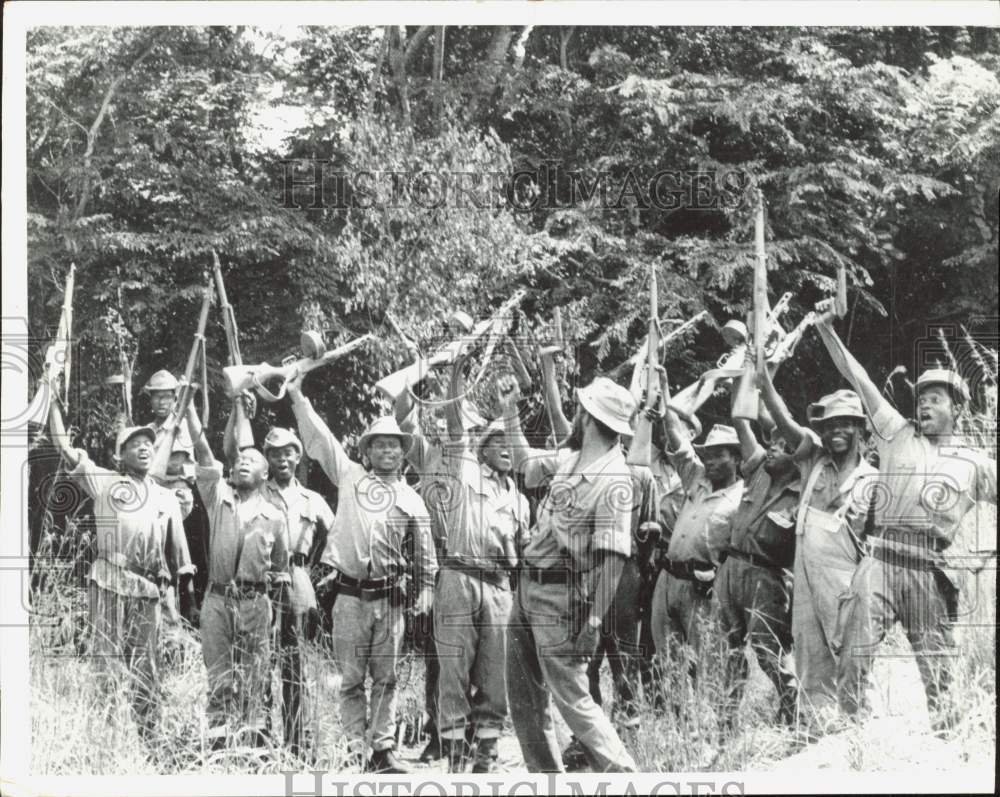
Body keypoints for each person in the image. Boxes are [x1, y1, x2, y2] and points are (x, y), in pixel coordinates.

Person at [810, 305, 997, 732]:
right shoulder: (896, 432)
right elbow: (858, 378)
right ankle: (855, 740)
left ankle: (948, 744)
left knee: (939, 671)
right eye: (922, 398)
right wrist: (825, 331)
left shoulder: (976, 463)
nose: (925, 405)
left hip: (930, 573)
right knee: (853, 655)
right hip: (879, 561)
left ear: (958, 409)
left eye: (935, 399)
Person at [288, 370, 437, 774]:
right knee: (352, 678)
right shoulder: (351, 477)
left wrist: (424, 593)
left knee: (386, 678)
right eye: (380, 446)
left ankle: (383, 749)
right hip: (349, 596)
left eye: (394, 446)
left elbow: (426, 555)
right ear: (367, 453)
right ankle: (354, 748)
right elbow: (320, 440)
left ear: (403, 454)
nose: (388, 452)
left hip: (390, 600)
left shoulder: (412, 499)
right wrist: (298, 397)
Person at [499, 373, 638, 773]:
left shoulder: (614, 478)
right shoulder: (572, 459)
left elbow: (613, 559)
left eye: (579, 409)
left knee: (572, 699)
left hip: (562, 597)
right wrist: (510, 412)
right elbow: (525, 465)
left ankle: (626, 776)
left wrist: (593, 621)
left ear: (589, 416)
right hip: (528, 588)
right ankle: (546, 780)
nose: (574, 415)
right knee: (524, 698)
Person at [48, 399, 194, 745]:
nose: (144, 449)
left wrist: (183, 601)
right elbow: (64, 448)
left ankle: (150, 741)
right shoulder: (105, 481)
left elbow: (179, 557)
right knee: (107, 662)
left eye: (148, 445)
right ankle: (106, 742)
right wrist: (53, 398)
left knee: (148, 667)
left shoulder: (165, 497)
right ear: (120, 455)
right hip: (110, 580)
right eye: (134, 445)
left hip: (148, 590)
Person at [758, 364, 876, 735]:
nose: (834, 431)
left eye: (844, 423)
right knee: (810, 654)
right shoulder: (812, 458)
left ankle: (859, 730)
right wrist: (764, 381)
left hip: (847, 578)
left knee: (850, 654)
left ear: (859, 428)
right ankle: (819, 730)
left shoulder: (871, 479)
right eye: (828, 425)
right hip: (806, 575)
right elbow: (784, 420)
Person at [432, 350, 530, 773]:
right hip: (458, 576)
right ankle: (454, 753)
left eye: (511, 443)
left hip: (500, 587)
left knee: (497, 673)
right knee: (453, 667)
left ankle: (486, 753)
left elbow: (524, 554)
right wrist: (456, 369)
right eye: (497, 442)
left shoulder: (521, 499)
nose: (506, 449)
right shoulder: (464, 470)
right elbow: (454, 419)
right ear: (482, 447)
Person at [184, 403, 291, 750]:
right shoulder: (218, 497)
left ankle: (253, 743)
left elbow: (279, 567)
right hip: (216, 601)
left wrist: (270, 609)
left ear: (265, 476)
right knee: (218, 674)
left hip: (255, 604)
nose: (245, 462)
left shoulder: (275, 516)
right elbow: (203, 452)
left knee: (255, 675)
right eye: (241, 460)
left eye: (254, 461)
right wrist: (188, 409)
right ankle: (217, 744)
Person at [648, 413, 743, 706]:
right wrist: (663, 395)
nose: (711, 461)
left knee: (712, 660)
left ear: (737, 459)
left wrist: (720, 579)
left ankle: (722, 730)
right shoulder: (696, 480)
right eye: (708, 455)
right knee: (668, 659)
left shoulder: (743, 496)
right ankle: (683, 727)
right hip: (668, 579)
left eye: (719, 455)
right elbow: (676, 437)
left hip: (703, 587)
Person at [715, 418, 800, 730]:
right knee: (727, 649)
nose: (773, 450)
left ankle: (793, 706)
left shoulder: (802, 492)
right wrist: (756, 374)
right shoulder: (758, 474)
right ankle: (726, 721)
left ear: (799, 458)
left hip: (768, 578)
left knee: (769, 651)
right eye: (773, 443)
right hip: (731, 567)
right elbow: (739, 418)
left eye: (784, 447)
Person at [261, 426, 335, 757]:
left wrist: (323, 573)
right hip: (262, 578)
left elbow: (334, 539)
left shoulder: (313, 500)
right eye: (275, 453)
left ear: (298, 456)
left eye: (288, 452)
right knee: (261, 658)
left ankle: (298, 741)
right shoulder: (257, 494)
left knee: (298, 661)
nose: (282, 458)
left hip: (299, 576)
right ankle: (260, 739)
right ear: (267, 458)